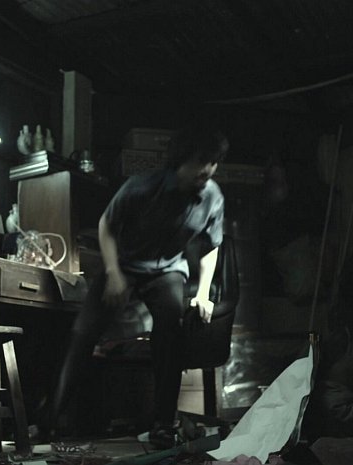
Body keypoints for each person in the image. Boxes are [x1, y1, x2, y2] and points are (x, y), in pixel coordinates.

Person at [45, 125, 228, 448]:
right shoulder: (142, 187)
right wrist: (114, 272)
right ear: (181, 160)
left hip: (167, 270)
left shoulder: (212, 197)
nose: (208, 170)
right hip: (125, 264)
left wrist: (202, 293)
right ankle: (48, 420)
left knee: (170, 332)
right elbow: (106, 224)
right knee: (83, 333)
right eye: (201, 161)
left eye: (213, 163)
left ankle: (163, 425)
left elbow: (211, 246)